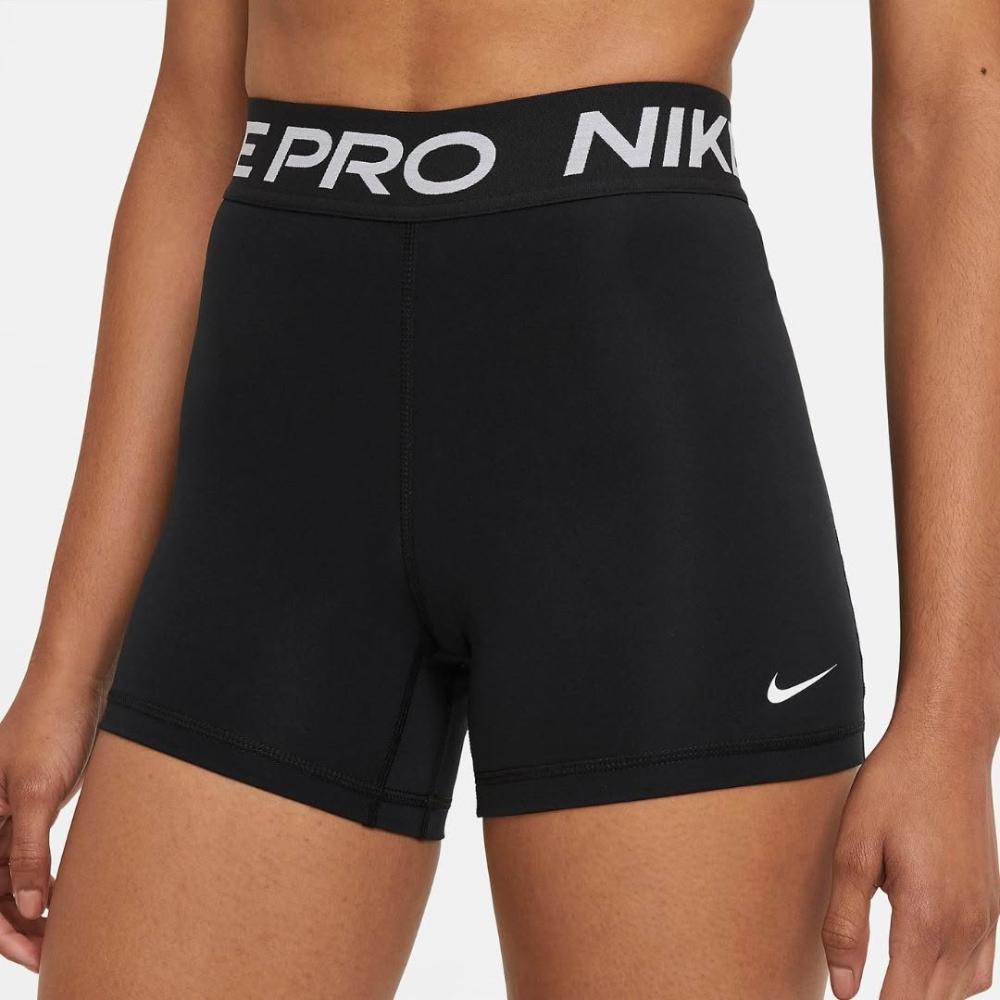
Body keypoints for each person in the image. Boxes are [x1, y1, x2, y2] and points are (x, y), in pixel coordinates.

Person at [1, 1, 998, 997]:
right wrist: (64, 670)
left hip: (641, 468)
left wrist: (953, 727)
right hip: (272, 463)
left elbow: (955, 103)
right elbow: (196, 119)